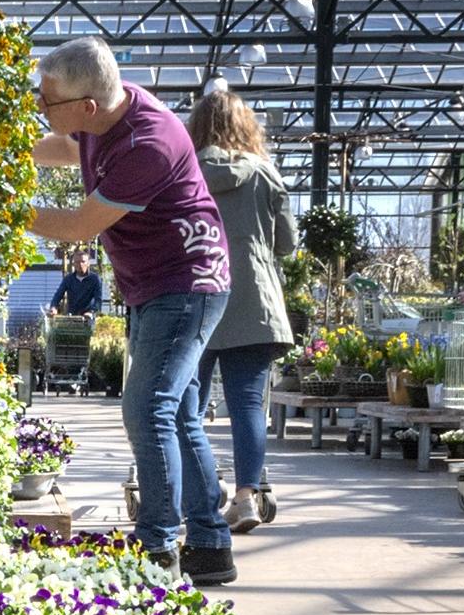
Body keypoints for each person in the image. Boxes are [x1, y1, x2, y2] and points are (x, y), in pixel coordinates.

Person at [30, 35, 235, 584]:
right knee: (180, 415)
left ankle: (158, 547)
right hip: (154, 284)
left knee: (147, 409)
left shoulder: (149, 143)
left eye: (47, 103)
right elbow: (70, 148)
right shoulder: (108, 117)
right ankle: (211, 545)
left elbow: (78, 224)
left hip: (186, 283)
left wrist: (5, 209)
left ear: (87, 106)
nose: (41, 110)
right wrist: (5, 147)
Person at [188, 82, 295, 531]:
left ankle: (204, 489)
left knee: (186, 406)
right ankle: (247, 497)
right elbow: (286, 244)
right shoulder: (265, 173)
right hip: (255, 306)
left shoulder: (186, 171)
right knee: (248, 405)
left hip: (197, 297)